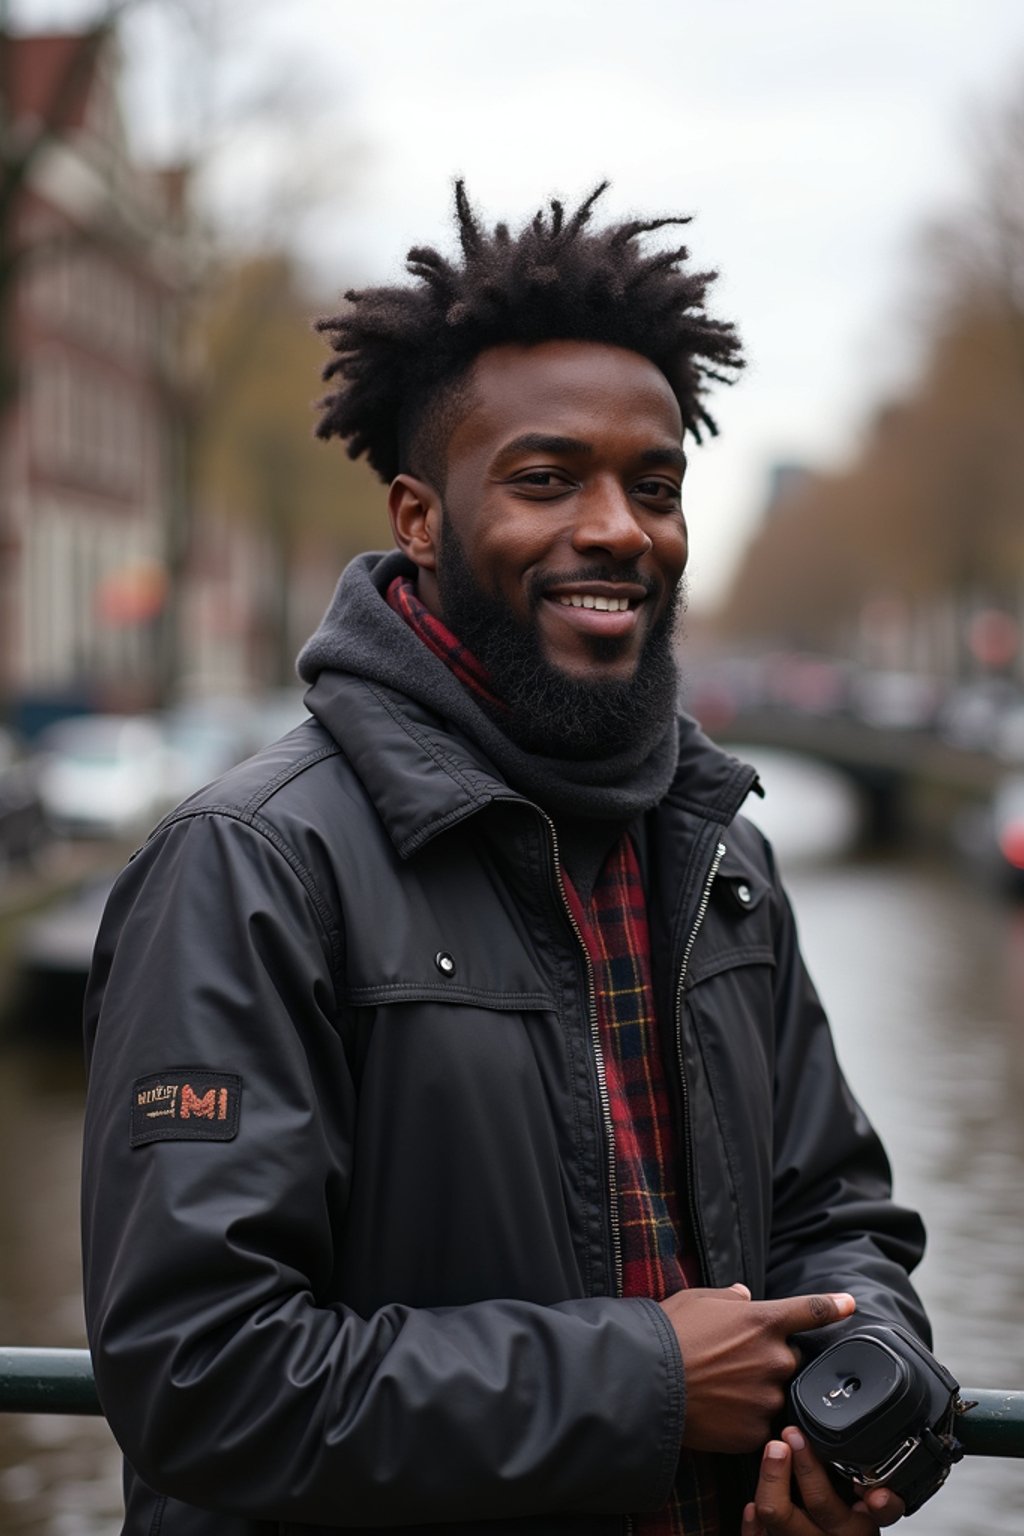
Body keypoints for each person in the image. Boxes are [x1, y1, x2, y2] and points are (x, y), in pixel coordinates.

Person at [82, 183, 931, 1536]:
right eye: (549, 480)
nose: (618, 528)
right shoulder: (251, 867)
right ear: (419, 518)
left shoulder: (727, 858)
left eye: (655, 489)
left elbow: (835, 1213)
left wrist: (850, 1394)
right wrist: (649, 1379)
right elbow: (202, 1373)